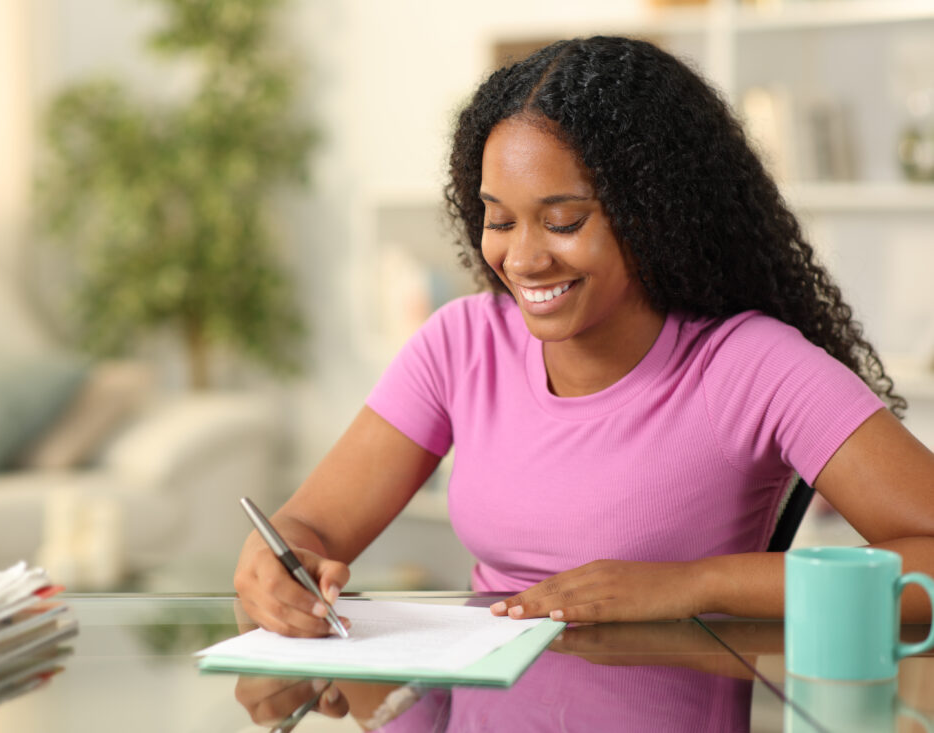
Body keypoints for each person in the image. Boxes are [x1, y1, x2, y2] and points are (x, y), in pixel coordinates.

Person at [234, 36, 934, 637]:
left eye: (563, 221)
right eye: (500, 221)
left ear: (653, 212)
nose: (525, 259)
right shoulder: (461, 343)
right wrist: (282, 562)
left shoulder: (750, 364)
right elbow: (311, 527)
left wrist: (694, 584)